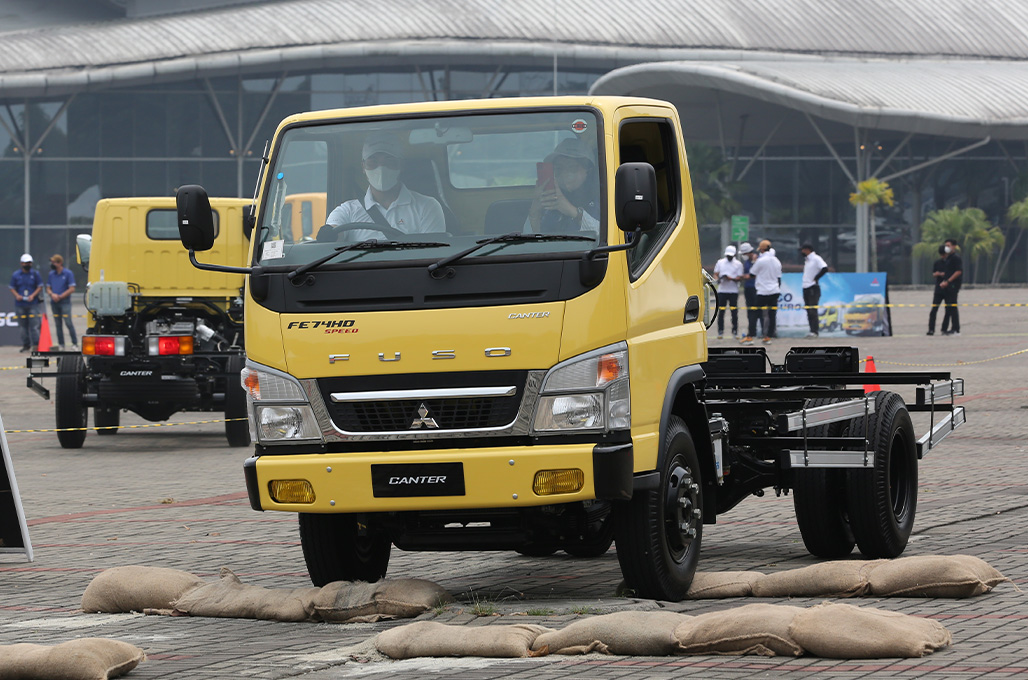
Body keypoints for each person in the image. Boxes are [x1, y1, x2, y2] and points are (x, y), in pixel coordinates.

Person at [325, 131, 445, 241]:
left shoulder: (427, 207)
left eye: (389, 160)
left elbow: (432, 254)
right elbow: (333, 232)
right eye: (373, 161)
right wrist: (328, 234)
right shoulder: (347, 211)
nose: (381, 168)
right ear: (363, 166)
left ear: (401, 165)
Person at [527, 137, 600, 234]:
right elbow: (529, 244)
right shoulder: (548, 203)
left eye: (572, 168)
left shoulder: (603, 200)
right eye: (559, 168)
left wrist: (573, 212)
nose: (565, 173)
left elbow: (607, 237)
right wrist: (534, 213)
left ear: (588, 171)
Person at [748, 239, 782, 344]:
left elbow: (752, 274)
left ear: (762, 250)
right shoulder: (777, 261)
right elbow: (778, 277)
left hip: (763, 291)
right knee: (772, 315)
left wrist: (754, 261)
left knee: (754, 313)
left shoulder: (761, 261)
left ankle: (750, 336)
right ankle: (768, 337)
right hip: (774, 290)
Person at [9, 253, 43, 352]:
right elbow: (12, 287)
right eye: (25, 263)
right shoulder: (16, 275)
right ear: (21, 263)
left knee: (34, 326)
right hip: (20, 305)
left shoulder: (35, 274)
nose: (27, 264)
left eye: (29, 263)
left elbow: (39, 286)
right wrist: (17, 296)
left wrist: (33, 295)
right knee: (22, 326)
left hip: (33, 304)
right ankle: (26, 344)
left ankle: (36, 345)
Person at [46, 254, 78, 350]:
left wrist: (60, 296)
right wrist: (52, 294)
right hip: (54, 302)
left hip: (65, 302)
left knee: (68, 323)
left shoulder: (68, 273)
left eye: (54, 262)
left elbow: (72, 288)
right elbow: (48, 288)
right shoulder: (51, 274)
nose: (52, 264)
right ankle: (61, 344)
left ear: (60, 263)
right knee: (58, 324)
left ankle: (74, 343)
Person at [713, 245, 744, 339]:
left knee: (734, 312)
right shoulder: (720, 262)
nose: (729, 257)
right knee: (721, 311)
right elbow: (716, 273)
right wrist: (718, 279)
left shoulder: (738, 264)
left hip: (733, 291)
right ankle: (720, 331)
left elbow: (740, 278)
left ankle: (735, 331)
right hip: (722, 290)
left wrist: (731, 278)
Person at [800, 243, 829, 338]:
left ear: (808, 250)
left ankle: (815, 331)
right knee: (808, 310)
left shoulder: (816, 258)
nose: (802, 252)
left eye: (803, 250)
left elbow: (825, 268)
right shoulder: (807, 260)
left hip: (813, 287)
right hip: (806, 287)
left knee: (813, 310)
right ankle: (811, 330)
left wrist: (816, 278)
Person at [738, 242, 761, 345]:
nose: (744, 256)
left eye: (745, 254)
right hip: (748, 287)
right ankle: (752, 331)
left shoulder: (758, 260)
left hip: (756, 288)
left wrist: (743, 277)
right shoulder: (747, 262)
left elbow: (755, 274)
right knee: (750, 311)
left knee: (756, 311)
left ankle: (756, 332)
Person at [939, 238, 963, 336]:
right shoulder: (948, 258)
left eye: (948, 245)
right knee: (948, 307)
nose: (947, 247)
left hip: (953, 285)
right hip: (947, 285)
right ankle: (949, 328)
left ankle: (956, 329)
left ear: (954, 246)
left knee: (953, 306)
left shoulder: (956, 258)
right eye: (946, 246)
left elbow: (958, 271)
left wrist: (948, 281)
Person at [926, 244, 948, 336]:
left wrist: (945, 274)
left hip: (948, 288)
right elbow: (933, 273)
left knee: (948, 309)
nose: (943, 256)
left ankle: (944, 328)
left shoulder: (951, 262)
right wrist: (938, 274)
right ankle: (931, 329)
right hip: (938, 289)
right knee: (934, 309)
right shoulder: (937, 262)